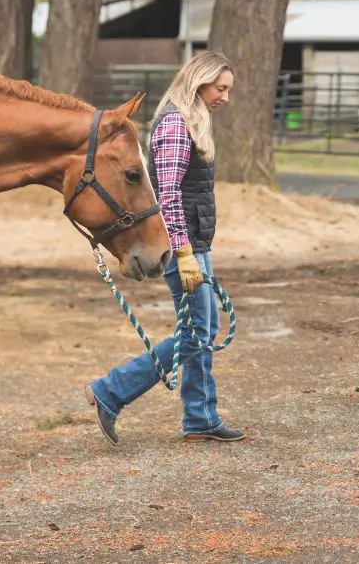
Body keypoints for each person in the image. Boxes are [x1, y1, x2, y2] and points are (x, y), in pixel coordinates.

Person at [84, 50, 244, 445]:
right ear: (199, 81)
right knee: (196, 333)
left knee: (199, 331)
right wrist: (185, 252)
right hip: (181, 246)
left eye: (228, 90)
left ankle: (200, 417)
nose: (225, 97)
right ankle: (111, 390)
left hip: (194, 242)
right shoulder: (175, 125)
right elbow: (168, 195)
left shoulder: (192, 121)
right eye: (220, 88)